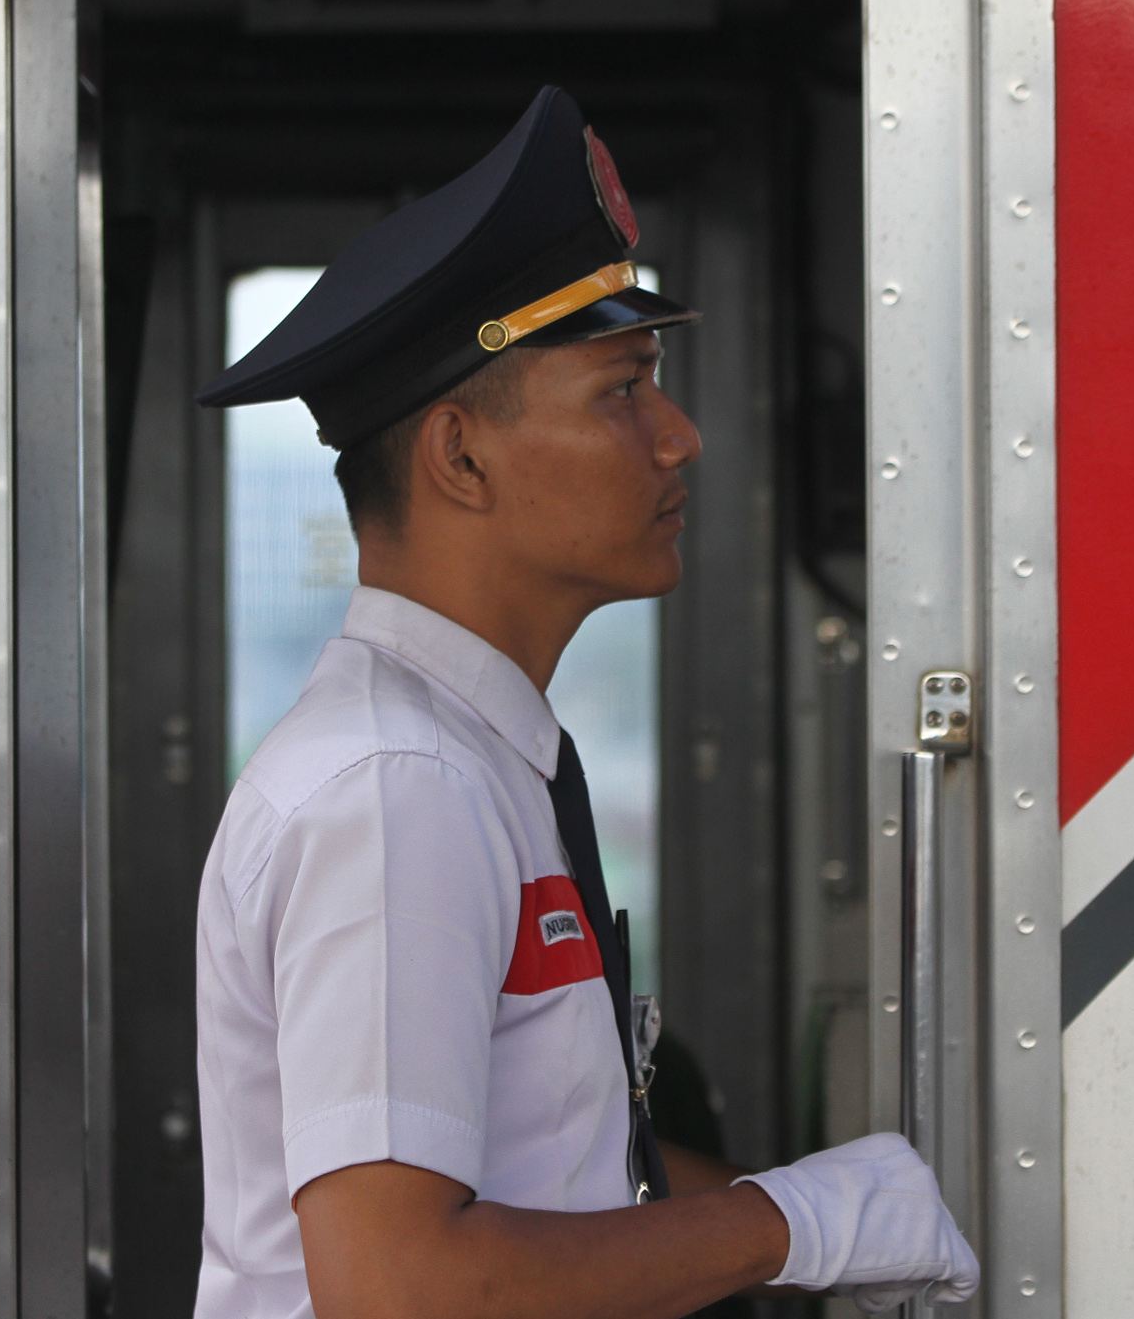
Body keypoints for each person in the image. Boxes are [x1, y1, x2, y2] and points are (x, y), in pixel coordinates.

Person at [192, 86, 981, 1319]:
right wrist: (792, 1226)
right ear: (460, 456)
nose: (678, 439)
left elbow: (560, 1173)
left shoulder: (470, 754)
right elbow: (399, 1289)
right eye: (622, 389)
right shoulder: (397, 788)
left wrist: (822, 1214)